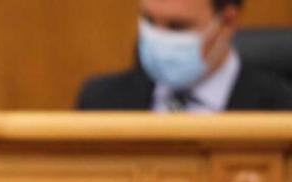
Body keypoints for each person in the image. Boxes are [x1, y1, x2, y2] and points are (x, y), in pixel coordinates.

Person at [76, 0, 292, 111]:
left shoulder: (281, 110)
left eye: (177, 27)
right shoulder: (100, 102)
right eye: (149, 22)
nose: (157, 38)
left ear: (227, 23)